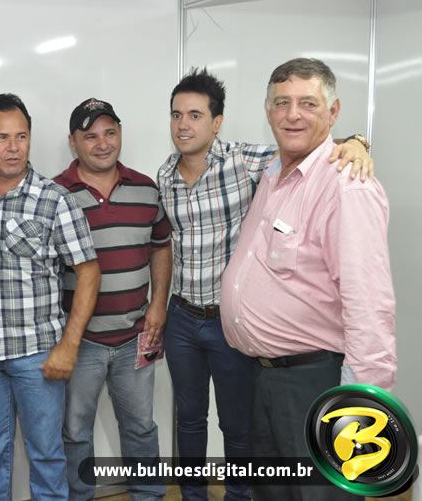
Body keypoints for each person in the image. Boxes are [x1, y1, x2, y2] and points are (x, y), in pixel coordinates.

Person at [156, 68, 373, 501]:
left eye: (196, 115)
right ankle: (193, 495)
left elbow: (309, 148)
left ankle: (239, 495)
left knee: (237, 423)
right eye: (177, 115)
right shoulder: (164, 176)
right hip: (182, 318)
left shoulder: (247, 161)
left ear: (217, 122)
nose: (184, 125)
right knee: (189, 418)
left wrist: (356, 142)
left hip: (227, 325)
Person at [220, 57, 396, 501]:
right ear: (267, 110)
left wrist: (364, 406)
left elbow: (369, 304)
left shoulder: (347, 185)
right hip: (264, 379)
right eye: (282, 103)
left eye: (308, 103)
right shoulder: (271, 174)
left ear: (333, 112)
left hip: (317, 383)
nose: (292, 114)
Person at [0, 93, 101, 500]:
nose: (13, 147)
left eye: (21, 136)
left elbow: (88, 272)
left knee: (46, 454)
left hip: (38, 355)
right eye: (2, 137)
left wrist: (69, 346)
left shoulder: (55, 199)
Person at [54, 98, 171, 500]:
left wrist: (158, 303)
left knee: (141, 428)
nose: (103, 144)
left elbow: (160, 246)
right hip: (79, 342)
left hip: (136, 337)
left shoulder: (146, 189)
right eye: (90, 136)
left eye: (110, 133)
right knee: (74, 431)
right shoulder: (55, 194)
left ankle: (149, 496)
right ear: (73, 142)